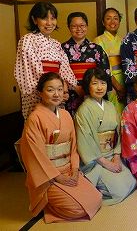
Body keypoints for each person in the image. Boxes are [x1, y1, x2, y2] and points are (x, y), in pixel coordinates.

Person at [20, 72, 102, 223]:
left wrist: (76, 170)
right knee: (76, 209)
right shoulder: (35, 118)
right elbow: (35, 155)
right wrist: (57, 177)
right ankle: (47, 204)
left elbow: (73, 147)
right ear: (40, 93)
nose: (56, 94)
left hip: (69, 170)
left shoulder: (65, 115)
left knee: (97, 198)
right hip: (48, 176)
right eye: (50, 90)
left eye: (60, 90)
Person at [75, 68, 136, 205]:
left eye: (103, 83)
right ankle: (93, 191)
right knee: (119, 191)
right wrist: (106, 163)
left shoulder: (110, 106)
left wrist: (116, 156)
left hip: (112, 155)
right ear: (87, 86)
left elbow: (118, 134)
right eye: (95, 83)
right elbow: (85, 142)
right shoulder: (84, 110)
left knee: (132, 183)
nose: (99, 87)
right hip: (96, 160)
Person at [14, 1, 78, 120]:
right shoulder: (27, 40)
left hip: (57, 95)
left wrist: (63, 89)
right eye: (44, 18)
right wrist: (49, 91)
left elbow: (64, 69)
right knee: (39, 126)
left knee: (58, 128)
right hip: (38, 94)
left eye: (53, 18)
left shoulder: (56, 44)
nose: (49, 23)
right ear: (34, 20)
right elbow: (30, 71)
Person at [62, 12, 111, 116]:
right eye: (74, 26)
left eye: (82, 25)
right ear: (69, 27)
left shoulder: (97, 49)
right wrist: (75, 87)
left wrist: (90, 88)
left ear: (87, 26)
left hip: (92, 93)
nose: (79, 29)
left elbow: (104, 73)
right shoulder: (61, 49)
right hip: (70, 94)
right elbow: (60, 73)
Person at [93, 8, 126, 115]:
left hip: (124, 79)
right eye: (108, 18)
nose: (112, 22)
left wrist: (124, 87)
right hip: (109, 80)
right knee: (112, 113)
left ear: (119, 22)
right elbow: (103, 66)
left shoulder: (123, 40)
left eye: (116, 18)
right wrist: (118, 87)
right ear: (103, 22)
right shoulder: (98, 41)